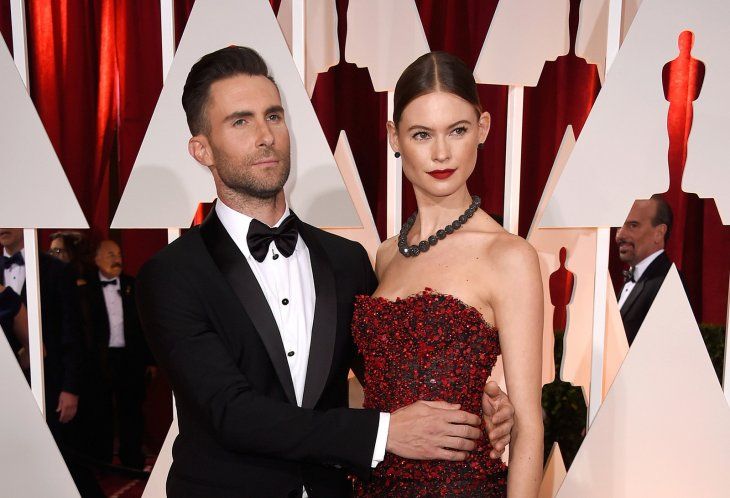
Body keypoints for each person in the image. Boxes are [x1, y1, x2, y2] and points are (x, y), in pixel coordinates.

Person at [135, 46, 515, 498]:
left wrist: (476, 397)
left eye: (274, 116)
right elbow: (230, 413)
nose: (265, 136)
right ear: (202, 150)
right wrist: (380, 433)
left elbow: (392, 367)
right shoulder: (172, 274)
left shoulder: (346, 260)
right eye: (241, 121)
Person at [352, 52, 544, 496]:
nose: (441, 153)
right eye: (422, 134)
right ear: (393, 137)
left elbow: (529, 426)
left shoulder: (508, 256)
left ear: (483, 129)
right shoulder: (384, 256)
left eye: (457, 130)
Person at [78, 240, 156, 469]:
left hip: (130, 359)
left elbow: (146, 326)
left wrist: (150, 361)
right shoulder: (85, 288)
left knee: (131, 411)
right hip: (99, 359)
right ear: (96, 259)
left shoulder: (134, 285)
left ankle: (132, 461)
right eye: (110, 254)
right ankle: (101, 462)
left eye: (119, 254)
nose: (116, 258)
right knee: (99, 411)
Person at [615, 194, 674, 345]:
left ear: (659, 233)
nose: (620, 235)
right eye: (620, 225)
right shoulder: (633, 278)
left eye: (633, 225)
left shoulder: (668, 282)